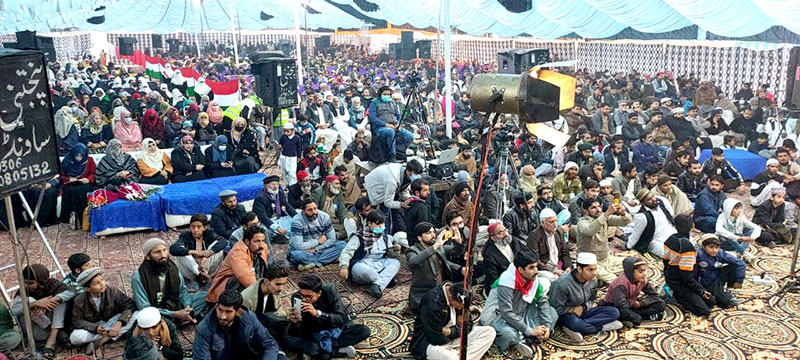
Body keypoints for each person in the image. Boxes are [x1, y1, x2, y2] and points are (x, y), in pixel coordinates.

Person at [480, 251, 556, 356]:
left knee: (552, 313)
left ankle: (522, 337)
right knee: (509, 335)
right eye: (531, 268)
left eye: (536, 267)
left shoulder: (533, 279)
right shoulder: (506, 281)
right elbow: (506, 312)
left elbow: (542, 302)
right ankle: (521, 337)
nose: (536, 271)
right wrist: (529, 331)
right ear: (520, 269)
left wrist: (546, 325)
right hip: (499, 317)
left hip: (521, 312)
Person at [285, 275, 371, 359]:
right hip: (313, 332)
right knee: (287, 339)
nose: (304, 299)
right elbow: (300, 329)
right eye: (302, 295)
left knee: (364, 330)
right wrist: (294, 321)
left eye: (308, 297)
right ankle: (334, 352)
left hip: (333, 328)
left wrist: (318, 314)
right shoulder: (296, 298)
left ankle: (322, 351)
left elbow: (342, 318)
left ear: (319, 293)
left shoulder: (330, 291)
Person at [549, 252, 622, 343]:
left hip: (584, 310)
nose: (594, 273)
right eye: (590, 270)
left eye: (595, 269)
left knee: (614, 312)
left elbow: (592, 299)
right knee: (576, 324)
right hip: (566, 314)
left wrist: (582, 307)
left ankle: (580, 327)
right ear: (579, 269)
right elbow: (555, 308)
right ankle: (599, 326)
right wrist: (572, 310)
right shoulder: (561, 284)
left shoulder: (593, 280)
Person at [411, 283, 495, 360]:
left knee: (489, 332)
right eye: (459, 306)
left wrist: (450, 331)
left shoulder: (459, 293)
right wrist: (457, 330)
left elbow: (468, 325)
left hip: (453, 336)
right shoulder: (432, 303)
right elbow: (435, 339)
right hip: (430, 343)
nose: (461, 309)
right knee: (449, 357)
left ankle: (460, 356)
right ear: (450, 297)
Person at [194, 289, 285, 360]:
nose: (222, 316)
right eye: (220, 310)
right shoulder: (204, 329)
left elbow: (269, 344)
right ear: (216, 306)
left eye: (228, 312)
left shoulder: (249, 319)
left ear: (238, 312)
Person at [132, 238, 205, 326]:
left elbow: (182, 291)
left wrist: (187, 307)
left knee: (207, 296)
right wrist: (175, 314)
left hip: (174, 303)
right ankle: (178, 320)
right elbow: (145, 308)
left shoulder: (173, 268)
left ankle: (183, 317)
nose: (163, 255)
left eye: (164, 250)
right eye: (157, 252)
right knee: (148, 317)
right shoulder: (139, 277)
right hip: (156, 309)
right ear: (148, 256)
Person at [12, 264, 76, 358]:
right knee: (29, 300)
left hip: (52, 326)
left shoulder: (53, 285)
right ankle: (57, 334)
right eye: (25, 282)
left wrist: (49, 301)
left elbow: (72, 292)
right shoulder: (23, 290)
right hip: (35, 331)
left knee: (60, 300)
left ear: (41, 281)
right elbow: (12, 311)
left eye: (31, 283)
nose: (27, 286)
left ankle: (51, 341)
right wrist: (34, 304)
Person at [70, 267, 137, 352]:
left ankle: (104, 339)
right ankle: (111, 336)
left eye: (102, 280)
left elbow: (129, 305)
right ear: (87, 288)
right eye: (96, 283)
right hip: (95, 328)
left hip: (112, 322)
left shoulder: (111, 290)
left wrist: (119, 324)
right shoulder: (80, 300)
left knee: (137, 315)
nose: (102, 284)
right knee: (75, 337)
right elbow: (77, 321)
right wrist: (96, 328)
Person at [338, 210, 402, 298]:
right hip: (361, 264)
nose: (381, 226)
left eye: (382, 224)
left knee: (395, 263)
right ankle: (384, 281)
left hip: (378, 263)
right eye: (377, 224)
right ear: (370, 223)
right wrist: (344, 266)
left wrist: (396, 250)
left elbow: (389, 254)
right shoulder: (359, 237)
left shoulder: (385, 237)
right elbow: (347, 252)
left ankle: (376, 285)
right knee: (369, 273)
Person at [664, 214, 717, 316]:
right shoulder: (687, 248)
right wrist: (701, 291)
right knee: (705, 311)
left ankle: (675, 290)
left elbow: (665, 262)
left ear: (675, 226)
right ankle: (675, 295)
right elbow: (686, 278)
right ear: (693, 226)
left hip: (672, 276)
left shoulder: (670, 239)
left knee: (711, 301)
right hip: (680, 283)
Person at [405, 222, 464, 314]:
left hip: (441, 287)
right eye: (429, 233)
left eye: (433, 232)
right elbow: (414, 262)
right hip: (424, 292)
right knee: (436, 313)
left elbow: (456, 252)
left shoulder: (439, 246)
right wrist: (435, 246)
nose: (433, 235)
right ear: (419, 237)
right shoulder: (412, 250)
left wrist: (458, 242)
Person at [207, 226, 270, 304]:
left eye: (262, 241)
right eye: (257, 241)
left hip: (251, 278)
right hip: (228, 287)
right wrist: (262, 293)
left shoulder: (262, 247)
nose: (261, 245)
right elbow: (245, 277)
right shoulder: (237, 253)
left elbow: (265, 267)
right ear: (247, 241)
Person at [576, 198, 632, 284]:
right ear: (586, 211)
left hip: (606, 259)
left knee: (633, 265)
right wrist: (606, 214)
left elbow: (625, 222)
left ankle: (602, 274)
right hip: (591, 263)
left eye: (599, 206)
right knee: (615, 280)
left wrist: (623, 213)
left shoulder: (603, 217)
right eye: (593, 207)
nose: (598, 209)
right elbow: (589, 231)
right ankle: (602, 275)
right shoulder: (582, 222)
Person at [600, 257, 665, 327]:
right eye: (640, 272)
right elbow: (620, 305)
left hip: (630, 304)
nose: (644, 274)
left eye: (644, 271)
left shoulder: (642, 280)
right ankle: (642, 317)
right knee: (634, 318)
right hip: (615, 306)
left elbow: (655, 295)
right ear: (631, 271)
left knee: (660, 304)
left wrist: (641, 303)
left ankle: (632, 318)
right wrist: (633, 303)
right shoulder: (621, 283)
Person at [363, 160, 424, 233]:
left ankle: (387, 235)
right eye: (416, 174)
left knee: (387, 213)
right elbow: (387, 202)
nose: (418, 176)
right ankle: (380, 235)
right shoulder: (392, 181)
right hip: (374, 186)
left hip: (385, 184)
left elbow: (403, 190)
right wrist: (401, 204)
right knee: (379, 215)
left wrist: (411, 199)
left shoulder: (405, 175)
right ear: (408, 172)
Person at [289, 198, 348, 271]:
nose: (314, 212)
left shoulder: (324, 217)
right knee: (296, 255)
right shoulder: (297, 221)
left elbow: (332, 239)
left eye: (315, 208)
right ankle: (328, 259)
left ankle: (313, 263)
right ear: (303, 211)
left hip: (321, 248)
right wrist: (318, 241)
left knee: (343, 245)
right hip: (305, 250)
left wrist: (316, 249)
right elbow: (298, 246)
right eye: (310, 210)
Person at [171, 214, 227, 285]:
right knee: (181, 253)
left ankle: (204, 276)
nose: (195, 230)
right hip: (192, 271)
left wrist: (205, 257)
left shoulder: (209, 233)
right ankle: (201, 276)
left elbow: (223, 241)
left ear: (204, 228)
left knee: (218, 249)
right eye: (193, 227)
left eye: (199, 227)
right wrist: (196, 252)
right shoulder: (185, 235)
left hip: (206, 267)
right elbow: (173, 248)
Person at [241, 264, 290, 339]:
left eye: (283, 284)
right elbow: (244, 323)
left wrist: (289, 315)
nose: (281, 288)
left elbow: (278, 310)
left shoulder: (275, 291)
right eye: (278, 284)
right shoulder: (247, 297)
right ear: (266, 281)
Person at [696, 234, 745, 309]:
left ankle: (729, 290)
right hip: (706, 283)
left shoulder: (720, 253)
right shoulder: (698, 255)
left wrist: (739, 281)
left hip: (718, 277)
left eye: (717, 247)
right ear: (704, 246)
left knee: (734, 266)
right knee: (725, 303)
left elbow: (740, 263)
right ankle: (722, 294)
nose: (714, 250)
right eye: (711, 247)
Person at [369, 86, 414, 161]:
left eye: (388, 94)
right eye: (385, 94)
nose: (387, 96)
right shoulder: (374, 103)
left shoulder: (392, 102)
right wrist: (386, 125)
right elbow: (373, 118)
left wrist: (398, 124)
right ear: (380, 94)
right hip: (381, 128)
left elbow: (398, 115)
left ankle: (400, 151)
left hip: (394, 125)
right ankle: (392, 155)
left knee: (410, 136)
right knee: (390, 132)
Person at [529, 208, 572, 282]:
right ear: (542, 223)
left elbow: (565, 252)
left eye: (556, 221)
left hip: (559, 265)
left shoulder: (559, 231)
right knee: (553, 278)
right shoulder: (534, 235)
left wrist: (568, 266)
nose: (555, 224)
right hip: (544, 268)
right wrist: (553, 270)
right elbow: (535, 259)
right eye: (551, 222)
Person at [58, 143, 95, 227]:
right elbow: (61, 176)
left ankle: (84, 216)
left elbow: (93, 173)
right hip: (71, 183)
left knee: (83, 190)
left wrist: (88, 179)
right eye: (77, 155)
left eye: (81, 155)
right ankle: (70, 217)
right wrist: (69, 179)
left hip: (84, 183)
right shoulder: (67, 161)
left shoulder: (90, 160)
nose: (79, 158)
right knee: (70, 191)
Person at [253, 175, 296, 243]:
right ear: (266, 186)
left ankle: (282, 235)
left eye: (277, 184)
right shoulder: (260, 198)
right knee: (263, 230)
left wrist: (298, 217)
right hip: (268, 221)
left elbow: (288, 207)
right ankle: (277, 236)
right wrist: (277, 228)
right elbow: (263, 217)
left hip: (280, 218)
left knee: (297, 218)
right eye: (273, 184)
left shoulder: (279, 193)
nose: (275, 187)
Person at [480, 222, 521, 294]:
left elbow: (526, 255)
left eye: (505, 230)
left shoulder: (514, 241)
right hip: (503, 286)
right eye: (500, 233)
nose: (505, 234)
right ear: (493, 237)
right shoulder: (489, 254)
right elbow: (493, 278)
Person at [312, 175, 347, 240]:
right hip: (319, 221)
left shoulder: (338, 193)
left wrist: (345, 222)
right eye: (336, 184)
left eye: (339, 183)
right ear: (328, 185)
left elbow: (342, 212)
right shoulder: (317, 192)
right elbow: (313, 212)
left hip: (334, 222)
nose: (339, 186)